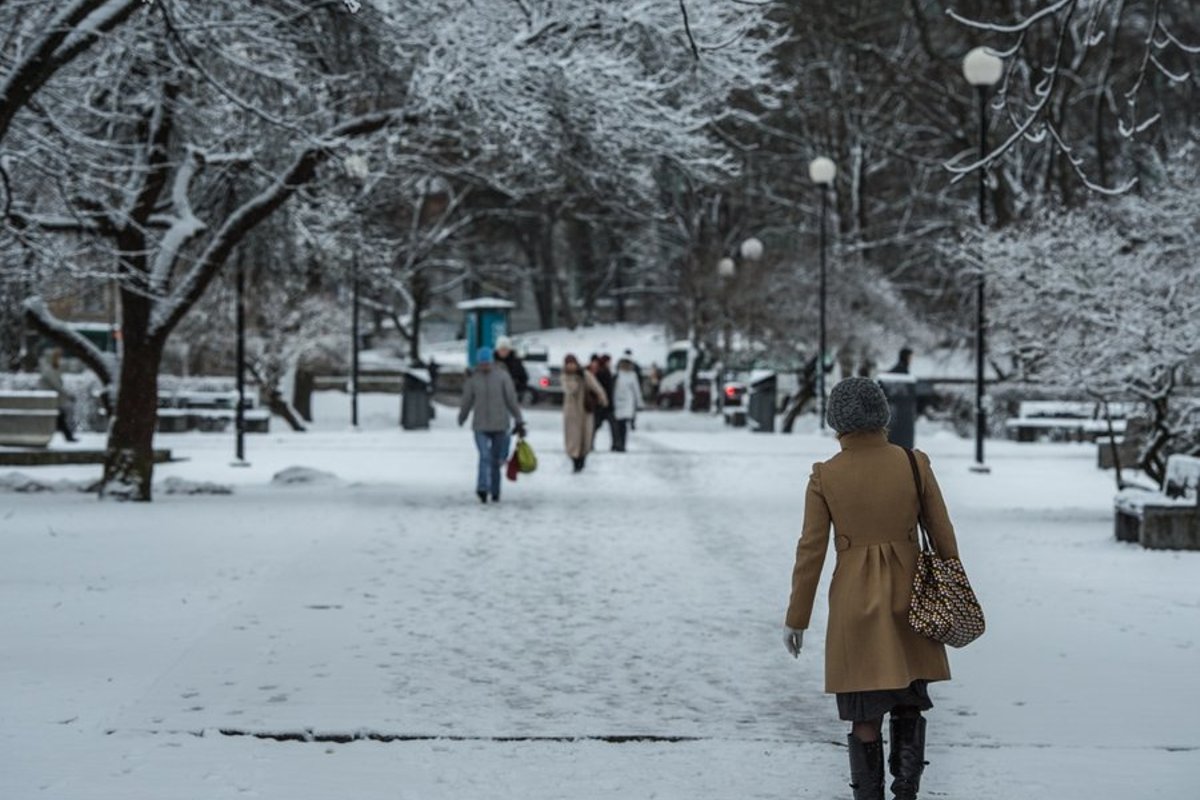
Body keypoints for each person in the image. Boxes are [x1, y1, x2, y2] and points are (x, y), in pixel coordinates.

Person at [783, 377, 963, 800]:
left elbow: (810, 551)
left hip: (854, 605)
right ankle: (906, 793)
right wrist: (953, 585)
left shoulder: (826, 476)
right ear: (883, 415)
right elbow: (943, 534)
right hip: (912, 600)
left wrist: (797, 617)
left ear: (836, 421)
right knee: (908, 702)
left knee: (863, 713)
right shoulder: (913, 463)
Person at [458, 347, 525, 503]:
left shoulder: (502, 377)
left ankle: (495, 490)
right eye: (482, 363)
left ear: (492, 362)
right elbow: (467, 400)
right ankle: (482, 488)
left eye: (487, 363)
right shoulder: (473, 379)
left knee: (495, 460)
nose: (485, 366)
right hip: (480, 425)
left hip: (500, 424)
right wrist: (463, 416)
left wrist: (518, 418)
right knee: (484, 456)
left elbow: (511, 400)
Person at [561, 353, 607, 472]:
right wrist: (576, 378)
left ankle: (582, 459)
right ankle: (575, 461)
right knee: (573, 438)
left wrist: (603, 399)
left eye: (573, 364)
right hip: (572, 413)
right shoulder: (565, 376)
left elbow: (596, 387)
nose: (571, 367)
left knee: (586, 437)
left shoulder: (585, 374)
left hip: (586, 411)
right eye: (569, 364)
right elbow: (571, 389)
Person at [38, 349, 77, 442]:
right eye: (56, 358)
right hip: (50, 399)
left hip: (52, 399)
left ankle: (68, 436)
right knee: (59, 417)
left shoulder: (51, 369)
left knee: (59, 417)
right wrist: (69, 395)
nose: (59, 360)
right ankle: (68, 436)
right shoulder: (49, 370)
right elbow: (57, 386)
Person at [610, 358, 641, 452]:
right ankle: (618, 443)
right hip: (618, 401)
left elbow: (636, 390)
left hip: (627, 402)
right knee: (618, 425)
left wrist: (638, 402)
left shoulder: (632, 375)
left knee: (623, 425)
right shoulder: (617, 374)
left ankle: (621, 444)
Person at [493, 336, 528, 401]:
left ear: (509, 350)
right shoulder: (491, 362)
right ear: (497, 350)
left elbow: (524, 378)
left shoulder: (516, 362)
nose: (503, 352)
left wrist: (519, 390)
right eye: (501, 349)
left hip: (511, 396)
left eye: (505, 349)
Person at [591, 354, 615, 448]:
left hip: (603, 404)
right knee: (597, 426)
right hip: (603, 405)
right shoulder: (603, 373)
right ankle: (616, 444)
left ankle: (590, 444)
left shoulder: (603, 372)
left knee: (596, 426)